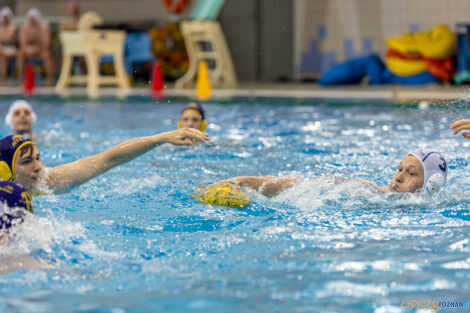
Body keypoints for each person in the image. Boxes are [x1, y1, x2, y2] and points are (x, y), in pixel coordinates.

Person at [0, 128, 209, 195]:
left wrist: (161, 138)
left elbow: (109, 158)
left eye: (38, 158)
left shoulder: (48, 180)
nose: (38, 166)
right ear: (6, 171)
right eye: (27, 162)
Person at [217, 149, 448, 197]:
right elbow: (299, 184)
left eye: (411, 173)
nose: (398, 177)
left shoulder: (442, 206)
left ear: (431, 185)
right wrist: (243, 180)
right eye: (399, 169)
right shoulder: (366, 191)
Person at [17, 8, 54, 86]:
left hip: (40, 51)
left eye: (34, 19)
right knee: (20, 54)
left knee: (47, 55)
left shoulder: (44, 28)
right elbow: (22, 43)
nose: (32, 21)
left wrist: (36, 48)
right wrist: (28, 49)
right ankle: (20, 80)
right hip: (28, 51)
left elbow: (46, 43)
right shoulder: (24, 28)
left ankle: (50, 80)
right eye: (31, 19)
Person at [0, 7, 17, 86]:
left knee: (20, 55)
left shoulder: (13, 27)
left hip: (12, 49)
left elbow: (12, 40)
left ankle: (19, 79)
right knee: (3, 57)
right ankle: (3, 81)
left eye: (7, 17)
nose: (5, 19)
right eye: (4, 17)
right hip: (2, 50)